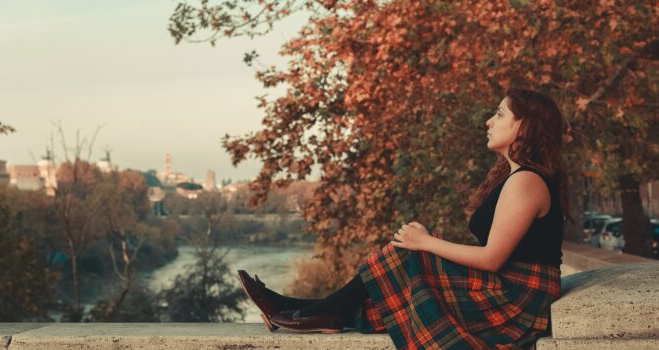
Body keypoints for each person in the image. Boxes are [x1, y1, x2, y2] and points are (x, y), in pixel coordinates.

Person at [239, 88, 568, 349]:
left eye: (499, 114)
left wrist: (426, 242)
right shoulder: (515, 177)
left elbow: (492, 258)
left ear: (523, 126)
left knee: (409, 253)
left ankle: (311, 312)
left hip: (519, 300)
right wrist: (427, 243)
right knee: (404, 282)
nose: (488, 122)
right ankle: (307, 309)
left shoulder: (526, 181)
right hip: (510, 289)